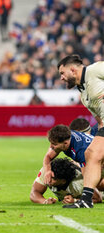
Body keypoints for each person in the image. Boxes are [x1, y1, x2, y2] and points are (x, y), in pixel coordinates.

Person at [58, 54, 104, 208]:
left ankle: (86, 199)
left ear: (72, 69)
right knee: (91, 154)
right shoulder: (83, 92)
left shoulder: (95, 70)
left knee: (91, 154)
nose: (62, 78)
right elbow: (99, 118)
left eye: (62, 73)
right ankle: (86, 199)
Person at [30, 158, 102, 205]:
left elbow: (97, 198)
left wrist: (75, 201)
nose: (48, 179)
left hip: (99, 185)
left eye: (53, 178)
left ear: (63, 181)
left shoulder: (80, 181)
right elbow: (35, 192)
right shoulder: (47, 172)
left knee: (100, 184)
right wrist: (44, 201)